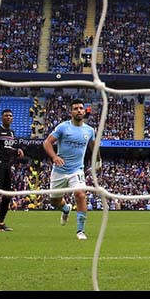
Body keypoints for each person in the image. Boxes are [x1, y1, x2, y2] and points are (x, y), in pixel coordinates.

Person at [42, 99, 97, 241]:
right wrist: (54, 157)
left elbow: (93, 146)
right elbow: (47, 142)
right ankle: (66, 209)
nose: (79, 110)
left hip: (77, 170)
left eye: (81, 108)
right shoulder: (63, 127)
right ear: (71, 112)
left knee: (80, 194)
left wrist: (98, 159)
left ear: (84, 111)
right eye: (75, 108)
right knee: (54, 201)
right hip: (59, 170)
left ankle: (80, 231)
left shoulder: (89, 130)